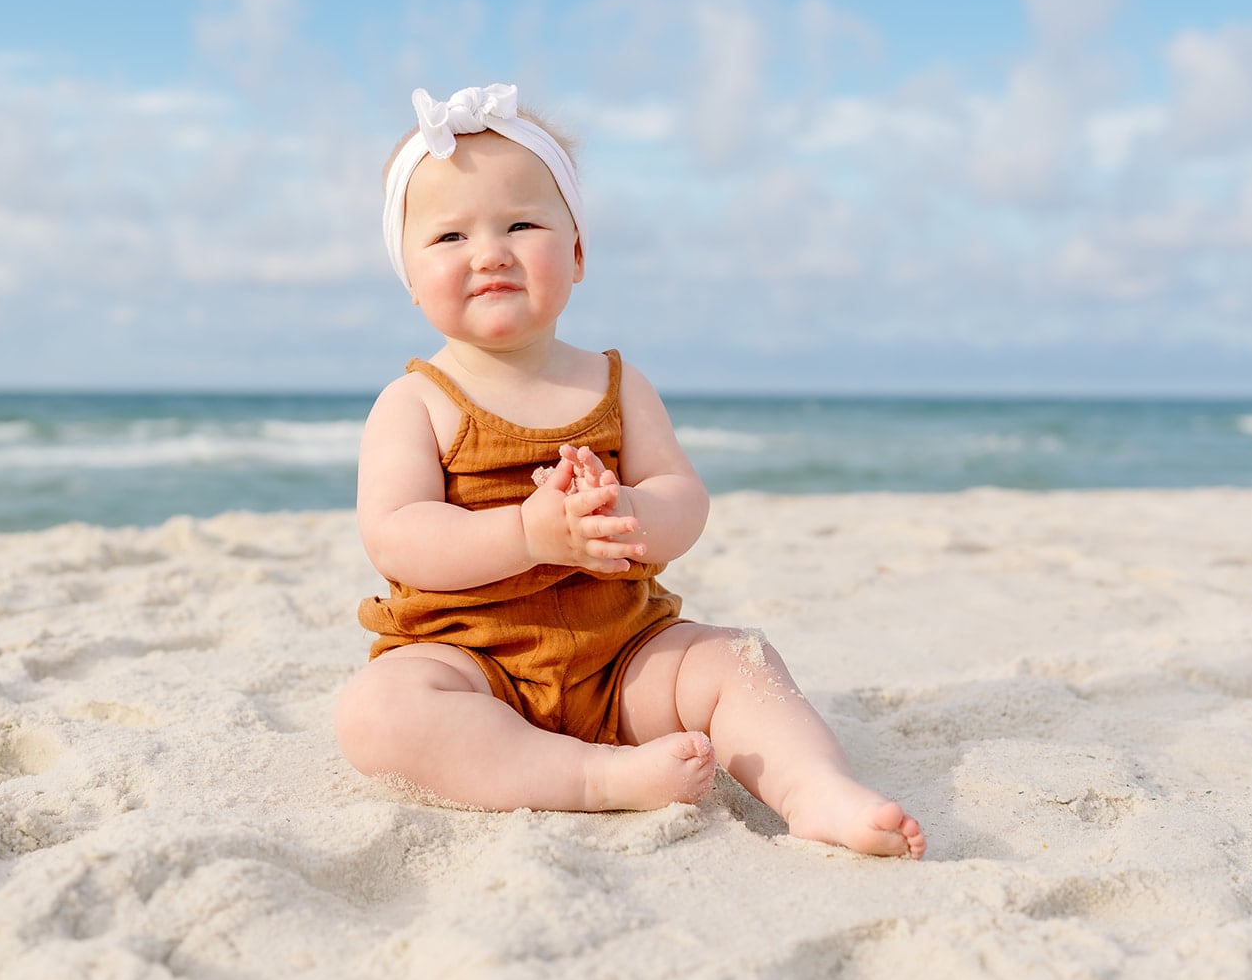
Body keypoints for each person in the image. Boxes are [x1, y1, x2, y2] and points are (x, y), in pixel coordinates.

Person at [334, 84, 925, 859]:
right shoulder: (415, 402)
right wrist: (528, 531)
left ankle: (813, 787)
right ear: (410, 278)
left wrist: (637, 518)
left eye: (521, 223)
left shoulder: (617, 386)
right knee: (379, 711)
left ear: (576, 253)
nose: (489, 251)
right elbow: (399, 537)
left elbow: (684, 495)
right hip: (471, 661)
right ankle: (594, 778)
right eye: (449, 237)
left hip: (620, 659)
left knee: (736, 660)